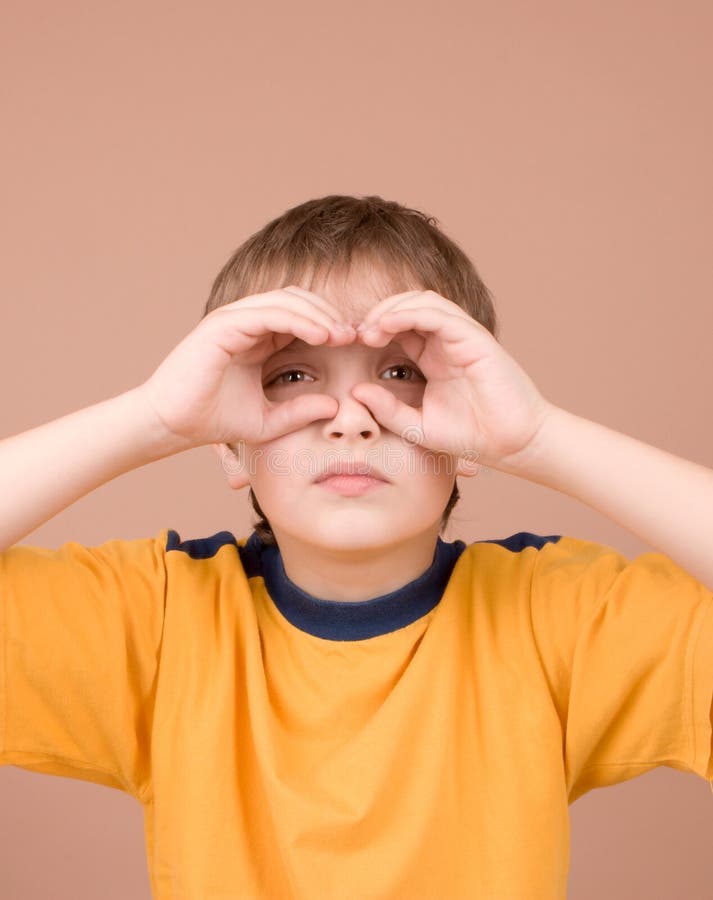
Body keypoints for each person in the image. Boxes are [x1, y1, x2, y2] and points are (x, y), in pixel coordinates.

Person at [1, 194, 711, 899]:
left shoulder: (555, 614)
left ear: (473, 432)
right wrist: (152, 418)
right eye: (292, 375)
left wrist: (537, 438)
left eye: (400, 374)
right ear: (229, 449)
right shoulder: (160, 620)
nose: (350, 422)